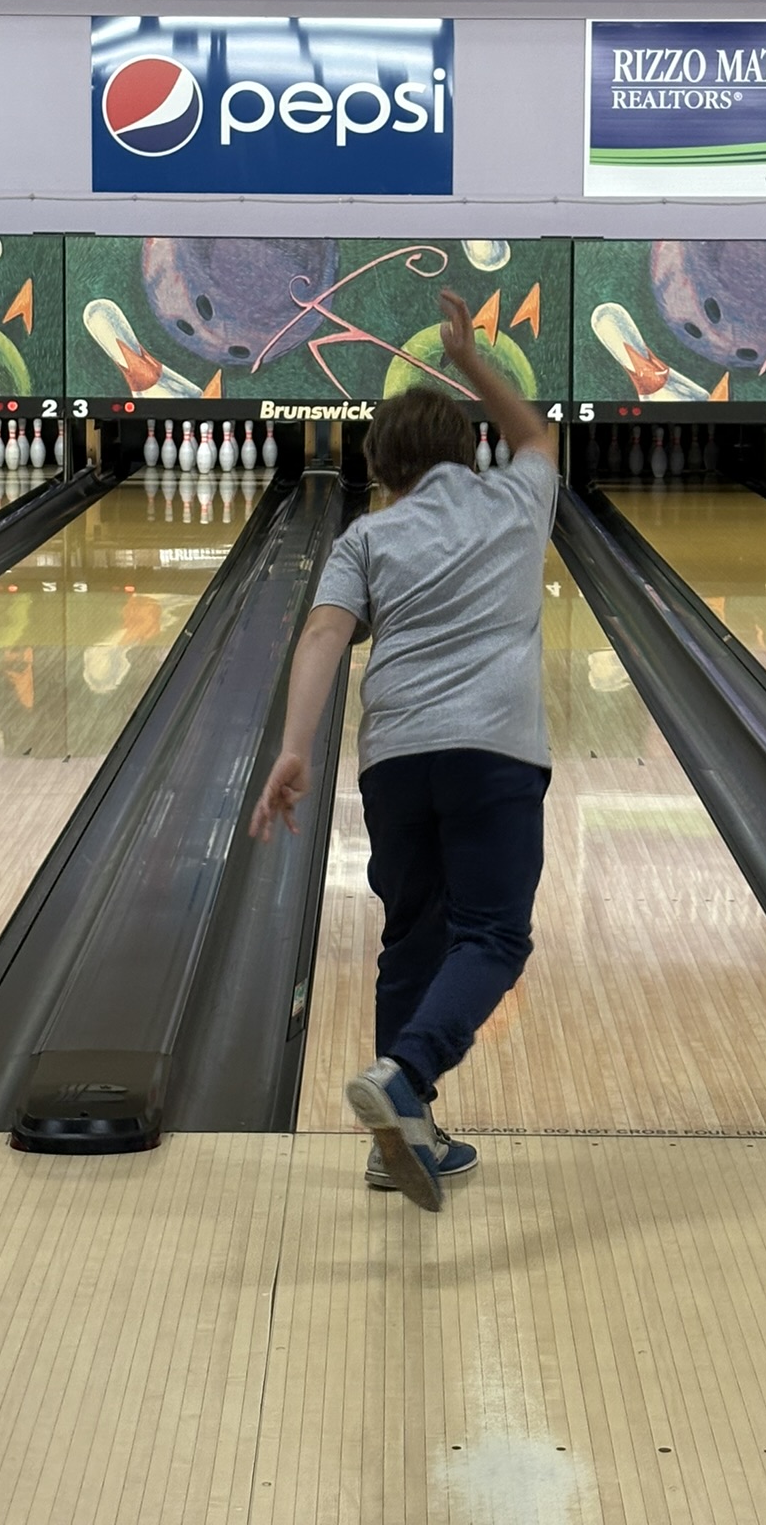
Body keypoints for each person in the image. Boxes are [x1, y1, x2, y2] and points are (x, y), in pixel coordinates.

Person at [251, 289, 559, 1210]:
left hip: (395, 760)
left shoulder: (367, 534)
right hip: (494, 753)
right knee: (494, 935)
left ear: (379, 469)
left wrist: (293, 749)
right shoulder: (514, 500)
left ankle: (403, 1144)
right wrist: (469, 361)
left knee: (412, 939)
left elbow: (320, 640)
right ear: (469, 452)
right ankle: (405, 1079)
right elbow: (538, 437)